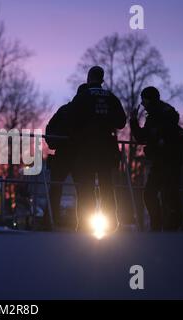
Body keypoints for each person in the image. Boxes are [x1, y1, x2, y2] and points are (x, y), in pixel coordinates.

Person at [67, 66, 126, 232]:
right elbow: (121, 122)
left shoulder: (82, 97)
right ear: (102, 79)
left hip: (86, 150)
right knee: (107, 187)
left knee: (86, 187)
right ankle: (112, 223)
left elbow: (71, 119)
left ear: (88, 78)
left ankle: (85, 224)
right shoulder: (111, 97)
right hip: (107, 149)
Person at [130, 86, 183, 231]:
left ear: (148, 100)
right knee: (156, 194)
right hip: (162, 162)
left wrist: (154, 136)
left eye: (143, 101)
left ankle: (167, 225)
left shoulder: (160, 116)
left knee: (165, 194)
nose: (143, 105)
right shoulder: (159, 115)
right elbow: (143, 137)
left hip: (169, 162)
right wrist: (134, 121)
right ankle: (164, 224)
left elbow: (145, 136)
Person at [45, 83, 87, 229]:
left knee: (56, 188)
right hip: (78, 156)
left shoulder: (64, 109)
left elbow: (50, 128)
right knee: (84, 190)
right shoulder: (85, 113)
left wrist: (54, 142)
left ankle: (50, 221)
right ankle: (83, 224)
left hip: (63, 154)